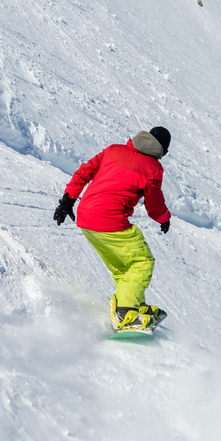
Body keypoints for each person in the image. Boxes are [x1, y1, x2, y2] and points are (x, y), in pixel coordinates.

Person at [54, 127, 172, 330]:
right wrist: (163, 218)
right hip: (110, 221)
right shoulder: (153, 168)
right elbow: (153, 204)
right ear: (163, 152)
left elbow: (84, 172)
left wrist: (67, 201)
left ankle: (133, 304)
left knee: (123, 266)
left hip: (86, 217)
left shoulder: (113, 150)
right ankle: (124, 312)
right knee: (142, 262)